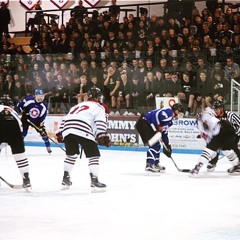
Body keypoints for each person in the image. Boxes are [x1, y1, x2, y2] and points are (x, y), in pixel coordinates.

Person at [56, 86, 111, 192]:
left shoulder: (77, 105)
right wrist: (102, 135)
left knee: (71, 155)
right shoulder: (99, 107)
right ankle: (94, 181)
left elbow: (65, 119)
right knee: (94, 155)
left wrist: (60, 132)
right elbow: (100, 122)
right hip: (83, 128)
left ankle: (65, 179)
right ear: (98, 97)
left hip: (68, 129)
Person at [135, 103, 184, 175]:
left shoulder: (170, 121)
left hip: (147, 124)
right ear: (176, 111)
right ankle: (149, 165)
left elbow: (164, 132)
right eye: (180, 113)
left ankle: (155, 164)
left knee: (157, 144)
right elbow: (157, 114)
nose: (180, 116)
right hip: (144, 123)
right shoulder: (168, 113)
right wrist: (156, 127)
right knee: (154, 144)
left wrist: (167, 145)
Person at [190, 107, 240, 176]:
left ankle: (197, 167)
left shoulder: (206, 117)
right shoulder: (202, 126)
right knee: (226, 150)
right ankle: (237, 166)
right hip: (226, 130)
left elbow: (209, 112)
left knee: (210, 150)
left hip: (224, 129)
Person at [0, 96, 31, 189]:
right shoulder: (13, 112)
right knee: (20, 155)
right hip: (15, 128)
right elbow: (20, 127)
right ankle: (26, 179)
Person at [207, 100, 240, 171]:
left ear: (222, 109)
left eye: (217, 109)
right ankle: (213, 162)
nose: (215, 111)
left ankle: (238, 164)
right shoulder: (214, 117)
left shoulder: (231, 115)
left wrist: (237, 135)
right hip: (222, 136)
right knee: (215, 144)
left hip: (234, 135)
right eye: (214, 109)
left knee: (232, 146)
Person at [17, 89, 52, 154]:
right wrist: (23, 112)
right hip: (26, 118)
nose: (40, 97)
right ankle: (18, 147)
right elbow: (19, 105)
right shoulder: (29, 100)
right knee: (24, 133)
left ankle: (48, 147)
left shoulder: (44, 105)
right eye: (39, 96)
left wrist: (41, 126)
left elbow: (43, 116)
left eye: (41, 96)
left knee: (43, 133)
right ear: (35, 96)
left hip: (36, 120)